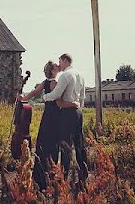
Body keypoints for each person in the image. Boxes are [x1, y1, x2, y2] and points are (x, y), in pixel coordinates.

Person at [42, 53, 88, 182]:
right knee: (79, 144)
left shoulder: (65, 75)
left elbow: (56, 94)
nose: (59, 64)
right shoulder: (80, 75)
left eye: (60, 61)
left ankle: (64, 177)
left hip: (67, 113)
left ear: (65, 60)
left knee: (65, 145)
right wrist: (78, 107)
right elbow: (83, 97)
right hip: (78, 112)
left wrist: (45, 97)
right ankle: (83, 176)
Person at [18, 60, 61, 189]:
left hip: (46, 115)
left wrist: (23, 98)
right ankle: (51, 173)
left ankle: (39, 175)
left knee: (43, 143)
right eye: (56, 67)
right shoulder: (55, 83)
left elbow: (34, 93)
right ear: (53, 70)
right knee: (54, 144)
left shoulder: (45, 82)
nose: (58, 67)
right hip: (55, 117)